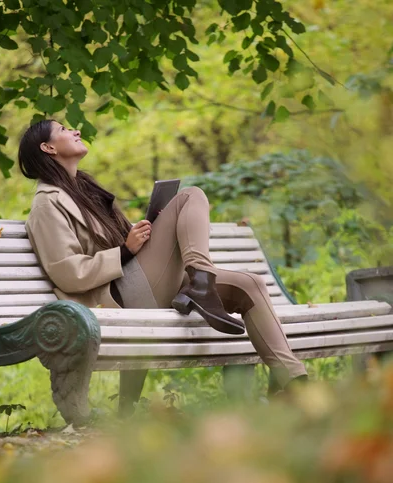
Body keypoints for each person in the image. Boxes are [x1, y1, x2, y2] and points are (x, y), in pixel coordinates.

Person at [18, 120, 308, 408]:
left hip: (141, 284)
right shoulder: (47, 204)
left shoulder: (85, 190)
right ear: (49, 147)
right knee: (191, 196)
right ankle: (201, 283)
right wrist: (125, 251)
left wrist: (149, 231)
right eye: (65, 130)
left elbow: (119, 245)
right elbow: (67, 272)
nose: (76, 131)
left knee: (251, 284)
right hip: (116, 297)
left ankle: (297, 385)